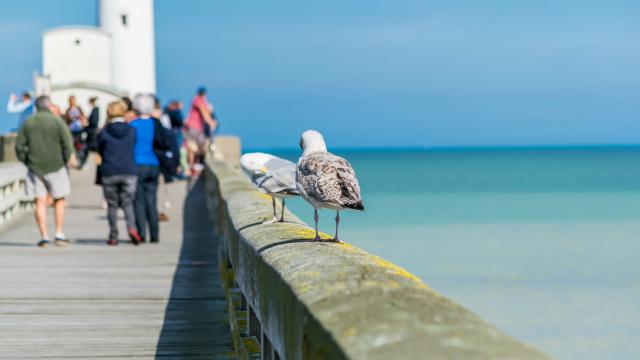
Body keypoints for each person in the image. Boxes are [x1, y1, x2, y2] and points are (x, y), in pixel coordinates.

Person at [15, 96, 75, 248]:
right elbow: (67, 143)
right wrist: (65, 159)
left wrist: (27, 161)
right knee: (59, 199)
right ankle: (59, 233)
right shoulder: (57, 121)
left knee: (40, 201)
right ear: (49, 105)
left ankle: (44, 236)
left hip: (35, 167)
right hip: (57, 165)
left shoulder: (28, 122)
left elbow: (19, 146)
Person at [97, 101, 142, 246]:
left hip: (109, 171)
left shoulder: (104, 132)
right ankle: (132, 229)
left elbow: (99, 149)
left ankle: (113, 235)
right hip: (129, 170)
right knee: (128, 203)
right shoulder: (131, 130)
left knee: (112, 205)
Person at [130, 94, 160, 243]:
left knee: (139, 201)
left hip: (137, 164)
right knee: (152, 200)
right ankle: (155, 235)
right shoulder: (156, 124)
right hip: (154, 164)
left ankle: (142, 234)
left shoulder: (133, 125)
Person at [184, 86, 217, 176]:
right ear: (204, 94)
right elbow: (203, 111)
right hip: (193, 127)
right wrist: (211, 122)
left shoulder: (200, 100)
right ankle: (192, 167)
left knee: (199, 147)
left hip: (197, 127)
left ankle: (194, 166)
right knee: (193, 147)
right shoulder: (198, 100)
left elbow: (206, 111)